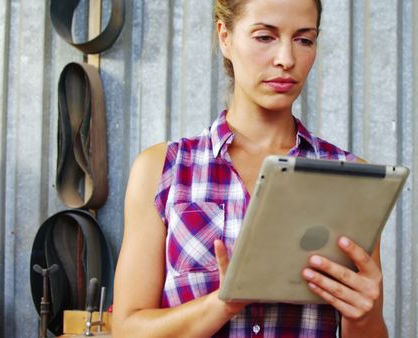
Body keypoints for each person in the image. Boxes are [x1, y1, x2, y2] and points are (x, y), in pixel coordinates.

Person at [112, 0, 388, 337]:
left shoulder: (350, 178)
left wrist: (364, 316)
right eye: (264, 37)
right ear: (224, 37)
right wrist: (224, 302)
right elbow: (127, 329)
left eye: (304, 39)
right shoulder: (162, 169)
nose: (286, 59)